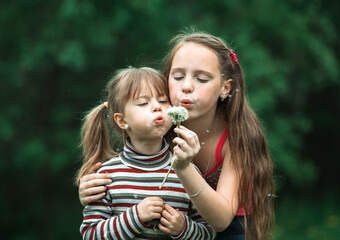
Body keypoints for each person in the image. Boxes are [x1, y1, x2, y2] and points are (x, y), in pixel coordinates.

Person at [79, 31, 275, 240]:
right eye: (178, 76)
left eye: (201, 79)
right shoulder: (160, 123)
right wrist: (93, 191)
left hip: (230, 228)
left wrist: (183, 168)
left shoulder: (238, 136)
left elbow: (220, 221)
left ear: (225, 88)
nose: (187, 86)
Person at [76, 67, 216, 239]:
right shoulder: (106, 176)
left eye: (164, 101)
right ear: (122, 120)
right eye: (143, 103)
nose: (157, 107)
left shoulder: (187, 171)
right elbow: (90, 235)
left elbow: (209, 232)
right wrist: (135, 217)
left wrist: (183, 228)